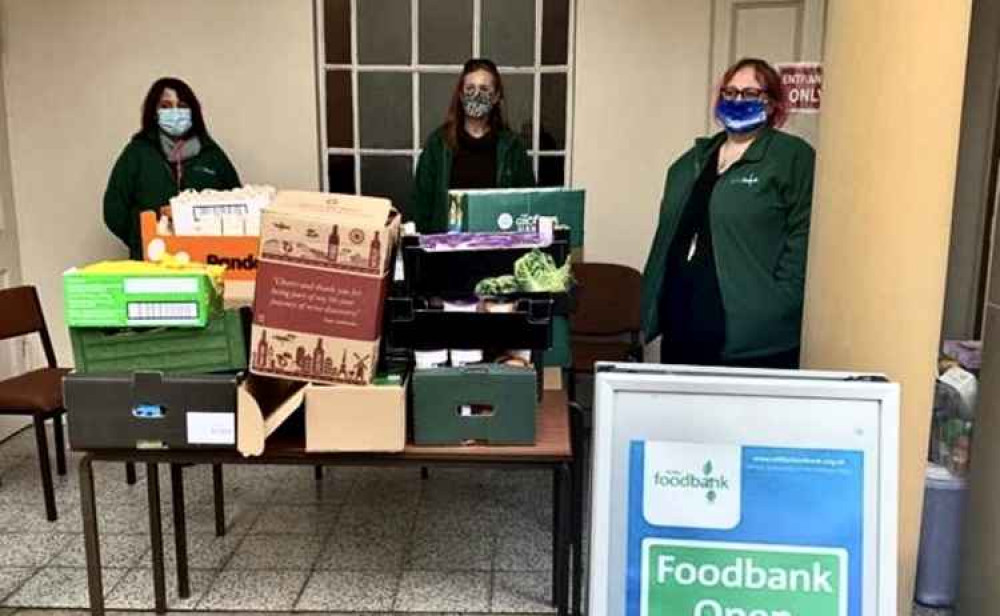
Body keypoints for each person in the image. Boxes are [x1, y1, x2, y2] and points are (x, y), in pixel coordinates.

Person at [641, 57, 816, 369]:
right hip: (683, 321)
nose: (738, 100)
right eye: (730, 92)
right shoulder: (691, 162)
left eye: (750, 94)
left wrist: (779, 303)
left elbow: (805, 236)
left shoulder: (791, 157)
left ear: (772, 103)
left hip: (751, 333)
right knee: (683, 416)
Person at [104, 77, 241, 259]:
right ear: (154, 112)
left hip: (205, 261)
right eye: (166, 106)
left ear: (193, 111)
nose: (175, 112)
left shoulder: (211, 154)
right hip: (151, 260)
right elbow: (114, 209)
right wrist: (141, 239)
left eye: (182, 105)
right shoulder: (138, 152)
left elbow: (238, 205)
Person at [410, 58, 535, 232]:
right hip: (446, 252)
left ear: (496, 97)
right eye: (470, 88)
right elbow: (421, 206)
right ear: (461, 95)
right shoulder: (438, 144)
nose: (476, 95)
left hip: (497, 248)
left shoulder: (512, 147)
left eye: (484, 89)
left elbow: (528, 206)